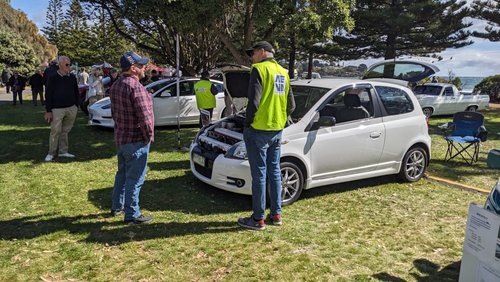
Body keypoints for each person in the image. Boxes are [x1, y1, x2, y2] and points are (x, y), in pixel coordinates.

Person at [237, 41, 295, 231]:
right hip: (276, 130)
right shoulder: (283, 72)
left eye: (252, 53)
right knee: (275, 171)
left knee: (259, 175)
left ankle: (257, 219)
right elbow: (291, 105)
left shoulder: (259, 70)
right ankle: (276, 214)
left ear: (262, 52)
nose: (251, 57)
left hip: (258, 129)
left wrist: (247, 124)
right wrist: (281, 120)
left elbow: (253, 102)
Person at [109, 51, 154, 225]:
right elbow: (145, 117)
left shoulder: (116, 85)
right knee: (135, 178)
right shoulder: (136, 87)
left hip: (122, 138)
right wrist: (148, 137)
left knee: (122, 174)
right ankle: (132, 214)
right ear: (133, 68)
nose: (144, 68)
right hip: (136, 140)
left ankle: (116, 206)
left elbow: (114, 113)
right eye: (141, 66)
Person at [44, 56, 79, 162]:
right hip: (57, 109)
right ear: (60, 65)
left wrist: (76, 105)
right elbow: (48, 95)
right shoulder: (53, 78)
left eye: (69, 64)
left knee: (65, 131)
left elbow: (76, 91)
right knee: (55, 131)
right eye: (67, 64)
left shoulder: (72, 77)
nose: (69, 66)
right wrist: (49, 110)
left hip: (71, 108)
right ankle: (51, 153)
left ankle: (63, 151)